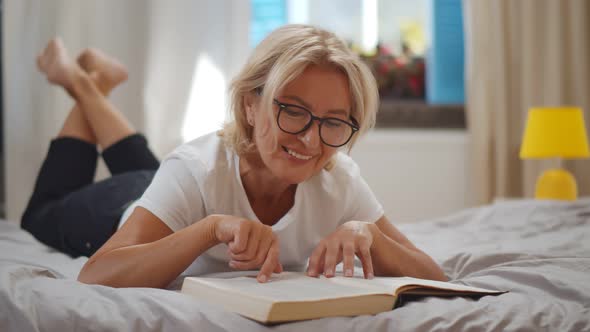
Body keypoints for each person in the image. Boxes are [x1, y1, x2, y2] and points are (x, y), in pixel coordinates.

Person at [24, 24, 446, 289]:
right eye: (293, 110)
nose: (312, 140)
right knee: (39, 214)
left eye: (333, 121)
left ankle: (93, 81)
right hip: (113, 206)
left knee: (153, 171)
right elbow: (96, 274)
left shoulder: (339, 180)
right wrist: (208, 230)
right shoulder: (195, 169)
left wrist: (371, 236)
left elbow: (434, 276)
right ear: (249, 104)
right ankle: (81, 83)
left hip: (159, 180)